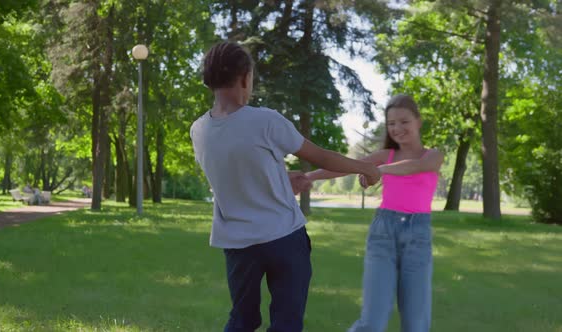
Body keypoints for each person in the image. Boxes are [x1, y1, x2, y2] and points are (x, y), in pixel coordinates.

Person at [190, 41, 380, 332]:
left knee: (242, 320)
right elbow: (322, 156)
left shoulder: (199, 130)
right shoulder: (265, 120)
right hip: (284, 239)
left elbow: (238, 172)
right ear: (244, 78)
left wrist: (279, 176)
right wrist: (364, 167)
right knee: (286, 323)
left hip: (238, 247)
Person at [306, 94, 444, 332]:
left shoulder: (433, 155)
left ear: (418, 121)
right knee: (372, 322)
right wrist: (308, 177)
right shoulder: (385, 155)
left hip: (418, 237)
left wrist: (376, 171)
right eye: (391, 124)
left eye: (404, 121)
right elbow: (345, 166)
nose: (397, 128)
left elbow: (416, 167)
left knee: (416, 324)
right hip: (383, 234)